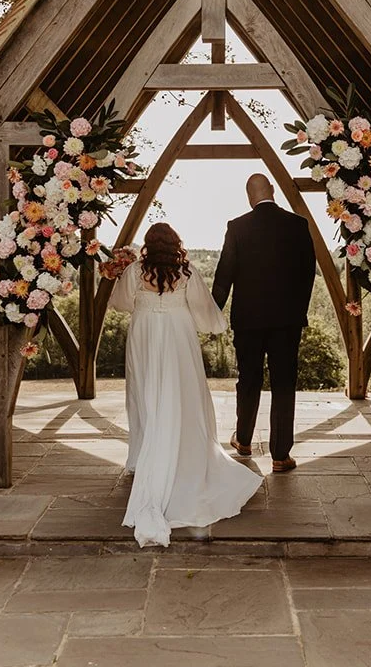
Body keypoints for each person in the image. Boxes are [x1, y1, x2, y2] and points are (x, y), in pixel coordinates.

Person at [108, 222, 262, 548]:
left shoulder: (135, 270)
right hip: (178, 334)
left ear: (149, 244)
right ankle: (182, 449)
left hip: (146, 334)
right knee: (184, 392)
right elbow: (205, 309)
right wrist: (216, 326)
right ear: (174, 244)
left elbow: (120, 304)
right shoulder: (187, 271)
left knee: (144, 393)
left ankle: (144, 453)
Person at [211, 174, 316, 472]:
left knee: (249, 379)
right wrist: (298, 312)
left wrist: (212, 313)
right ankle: (281, 455)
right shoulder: (298, 224)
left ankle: (243, 440)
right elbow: (308, 272)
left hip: (248, 320)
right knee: (284, 383)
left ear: (249, 196)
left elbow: (223, 277)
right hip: (287, 321)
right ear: (272, 190)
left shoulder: (237, 227)